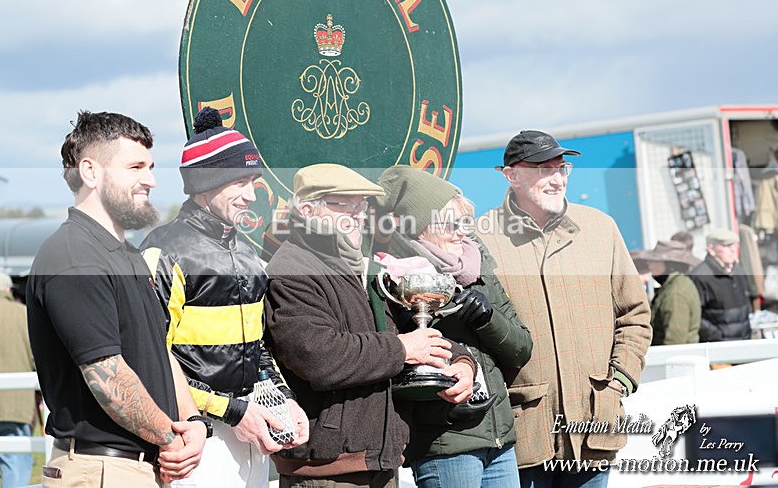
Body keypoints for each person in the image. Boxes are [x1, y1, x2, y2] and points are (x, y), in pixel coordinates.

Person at [264, 163, 476, 488]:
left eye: (361, 203)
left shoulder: (366, 268)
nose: (358, 212)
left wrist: (460, 362)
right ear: (307, 210)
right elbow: (320, 356)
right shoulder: (292, 269)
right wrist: (404, 349)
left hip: (380, 463)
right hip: (326, 472)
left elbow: (412, 328)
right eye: (343, 203)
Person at [26, 111, 208, 487]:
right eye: (136, 166)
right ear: (91, 172)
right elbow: (108, 377)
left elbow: (159, 351)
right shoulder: (73, 255)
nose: (152, 180)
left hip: (139, 466)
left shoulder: (128, 256)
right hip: (101, 470)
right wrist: (172, 439)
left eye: (152, 166)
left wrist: (193, 424)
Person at [140, 107, 309, 487]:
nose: (252, 195)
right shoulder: (162, 251)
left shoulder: (248, 254)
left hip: (250, 433)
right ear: (206, 183)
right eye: (242, 182)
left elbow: (257, 347)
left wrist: (285, 399)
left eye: (254, 181)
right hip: (194, 440)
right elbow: (150, 357)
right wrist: (233, 412)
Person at [475, 130, 652, 488]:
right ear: (511, 175)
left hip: (593, 422)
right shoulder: (481, 236)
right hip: (522, 431)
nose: (556, 179)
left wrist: (619, 380)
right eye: (543, 169)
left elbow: (635, 314)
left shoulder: (602, 229)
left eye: (561, 167)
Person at [375, 165, 533, 488]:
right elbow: (395, 363)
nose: (462, 232)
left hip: (498, 436)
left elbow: (521, 349)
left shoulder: (477, 267)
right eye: (451, 223)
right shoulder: (395, 276)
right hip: (445, 444)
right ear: (419, 227)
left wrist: (487, 320)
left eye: (464, 222)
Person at [0, 271, 36, 488]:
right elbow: (36, 357)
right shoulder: (23, 314)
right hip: (15, 405)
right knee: (15, 463)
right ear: (7, 289)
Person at [689, 228, 752, 342]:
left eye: (734, 245)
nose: (733, 250)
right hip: (719, 346)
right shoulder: (700, 276)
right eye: (727, 246)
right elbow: (695, 316)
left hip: (744, 341)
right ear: (711, 249)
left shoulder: (738, 270)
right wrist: (718, 336)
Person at [639, 240, 702, 345]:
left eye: (654, 261)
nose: (649, 265)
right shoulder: (676, 285)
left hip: (677, 358)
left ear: (668, 265)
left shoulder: (675, 293)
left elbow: (675, 341)